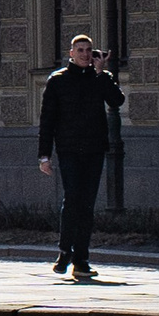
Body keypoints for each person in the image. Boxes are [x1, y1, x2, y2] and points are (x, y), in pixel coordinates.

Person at [38, 34, 124, 283]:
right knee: (73, 197)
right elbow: (47, 121)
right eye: (81, 50)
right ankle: (66, 251)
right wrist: (44, 156)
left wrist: (101, 73)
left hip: (94, 149)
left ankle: (81, 260)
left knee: (87, 204)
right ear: (71, 53)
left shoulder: (100, 78)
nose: (86, 54)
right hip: (69, 149)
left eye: (89, 50)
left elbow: (116, 100)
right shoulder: (58, 81)